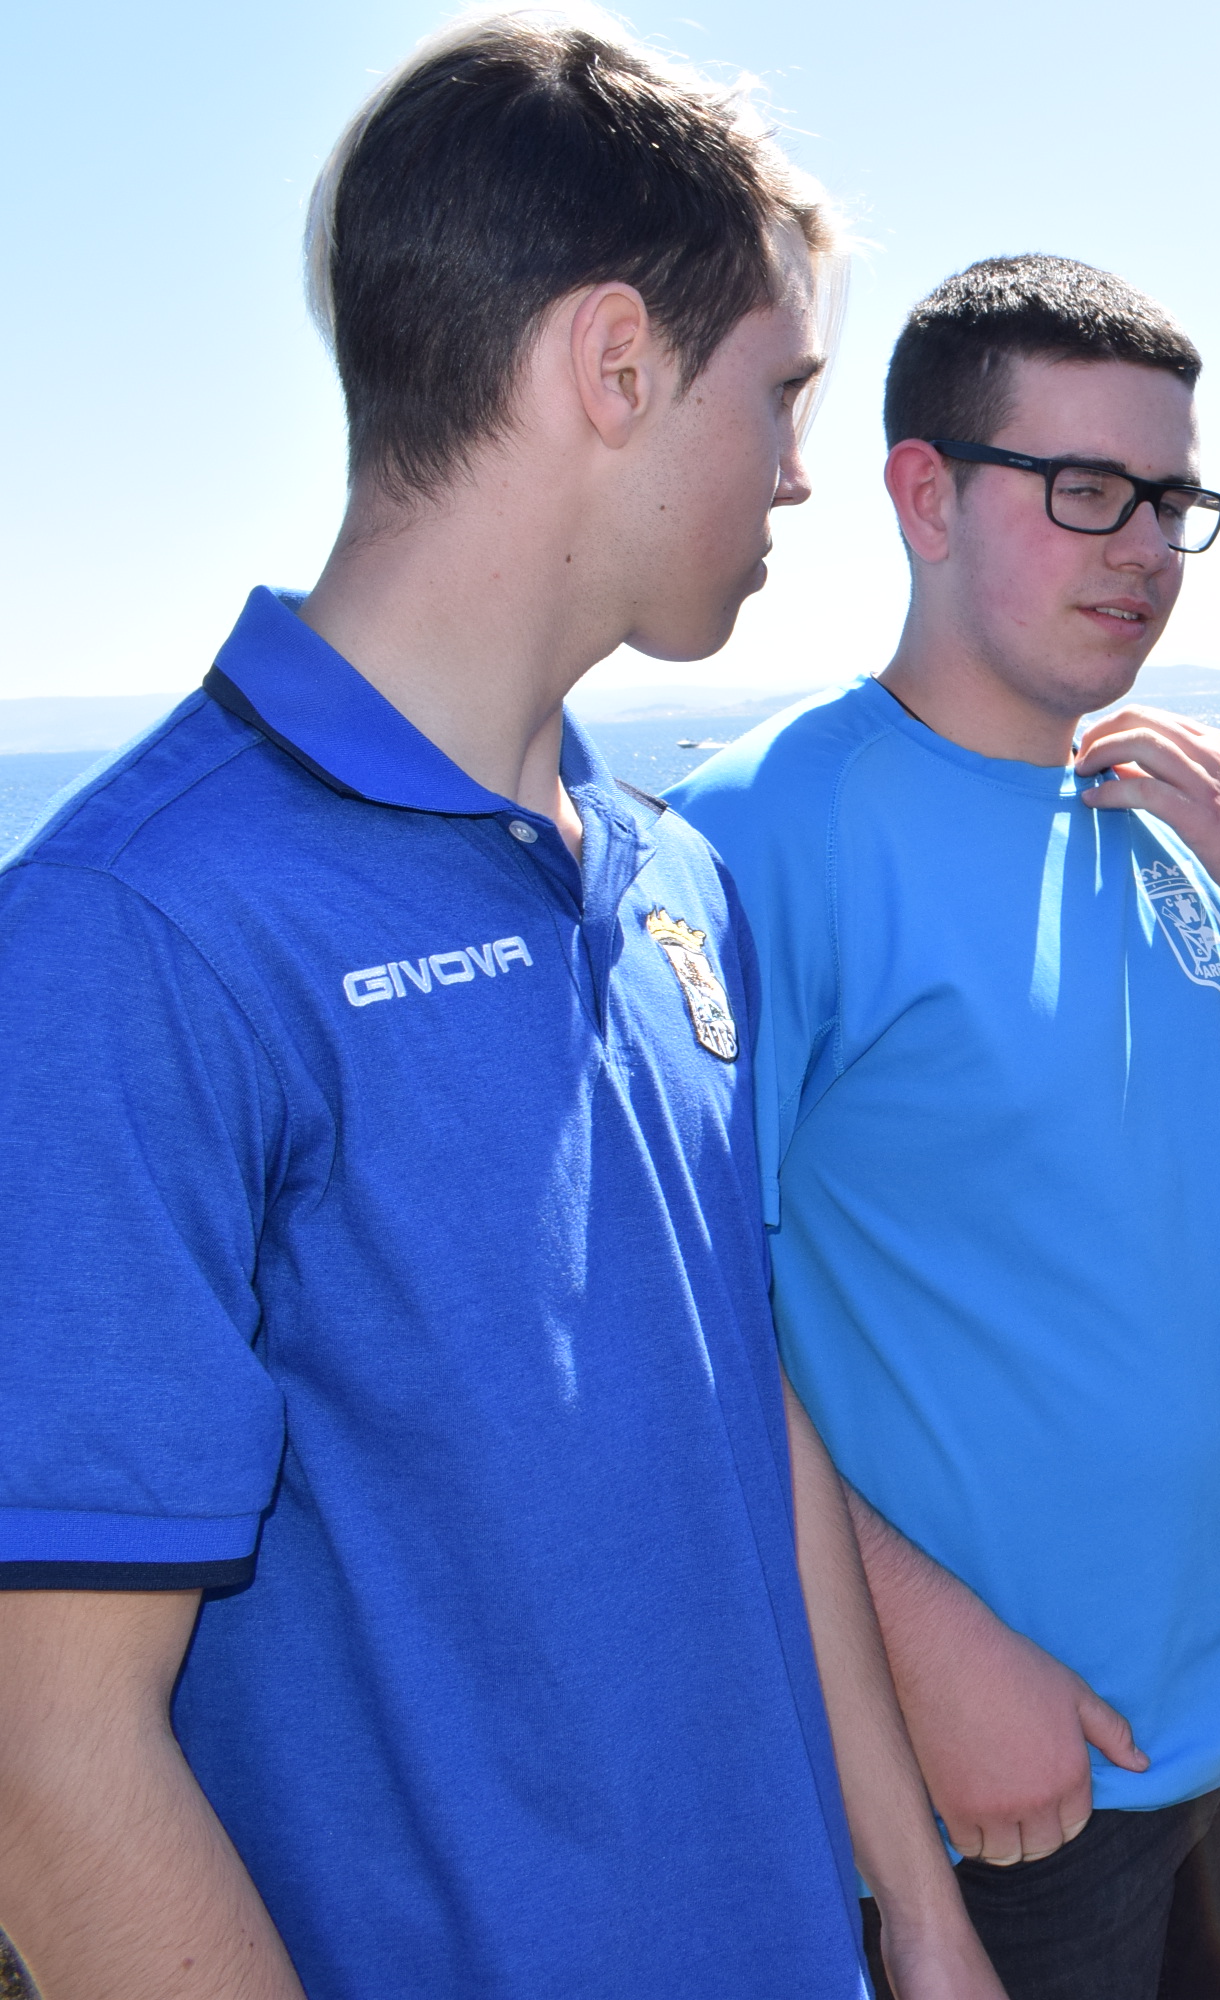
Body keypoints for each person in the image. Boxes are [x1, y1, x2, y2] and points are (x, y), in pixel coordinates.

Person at [0, 18, 993, 2000]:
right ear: (614, 364)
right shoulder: (136, 933)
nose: (800, 470)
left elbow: (743, 1407)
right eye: (779, 390)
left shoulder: (672, 877)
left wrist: (919, 1907)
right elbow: (48, 1759)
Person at [668, 254, 1220, 2000]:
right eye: (1083, 490)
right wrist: (927, 1654)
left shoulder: (1163, 809)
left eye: (1171, 500)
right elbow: (675, 1328)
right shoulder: (757, 838)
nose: (1144, 548)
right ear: (923, 495)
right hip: (1022, 1769)